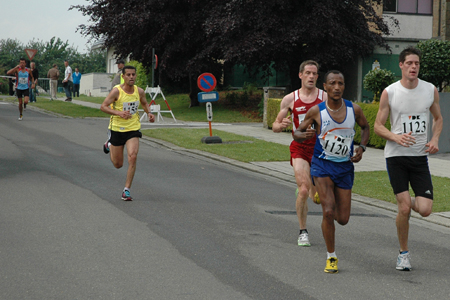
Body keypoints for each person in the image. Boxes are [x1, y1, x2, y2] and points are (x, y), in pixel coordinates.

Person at [374, 46, 443, 272]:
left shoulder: (429, 90)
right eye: (410, 63)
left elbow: (438, 118)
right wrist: (395, 137)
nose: (414, 67)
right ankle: (403, 254)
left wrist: (434, 139)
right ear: (401, 65)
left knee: (424, 209)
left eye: (417, 64)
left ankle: (405, 202)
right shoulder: (390, 92)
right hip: (396, 157)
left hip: (419, 158)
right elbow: (377, 126)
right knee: (404, 209)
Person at [295, 70, 370, 273]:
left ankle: (324, 194)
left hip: (344, 167)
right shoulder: (316, 111)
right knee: (328, 211)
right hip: (322, 165)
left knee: (343, 219)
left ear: (344, 86)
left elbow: (365, 128)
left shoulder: (354, 110)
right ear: (325, 87)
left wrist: (361, 148)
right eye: (332, 83)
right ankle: (331, 257)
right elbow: (297, 131)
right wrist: (304, 135)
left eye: (341, 83)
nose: (337, 87)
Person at [272, 60, 327, 247]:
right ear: (300, 75)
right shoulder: (290, 99)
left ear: (318, 77)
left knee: (317, 198)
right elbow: (275, 127)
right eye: (308, 73)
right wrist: (281, 125)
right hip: (300, 148)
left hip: (320, 150)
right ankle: (303, 231)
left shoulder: (325, 97)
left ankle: (308, 187)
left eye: (315, 73)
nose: (311, 76)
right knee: (303, 189)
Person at [100, 65, 156, 201]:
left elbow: (144, 103)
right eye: (128, 75)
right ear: (123, 76)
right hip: (117, 129)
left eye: (133, 74)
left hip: (133, 128)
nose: (131, 77)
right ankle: (109, 144)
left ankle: (126, 190)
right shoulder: (116, 91)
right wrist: (119, 113)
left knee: (133, 156)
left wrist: (149, 113)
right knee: (118, 164)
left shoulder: (139, 91)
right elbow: (103, 107)